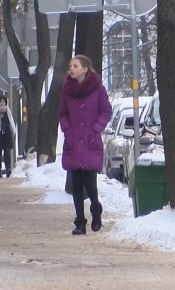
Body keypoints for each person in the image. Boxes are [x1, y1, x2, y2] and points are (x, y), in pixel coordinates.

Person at [59, 55, 112, 235]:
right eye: (70, 65)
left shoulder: (98, 89)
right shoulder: (67, 90)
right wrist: (67, 130)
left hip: (90, 141)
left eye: (75, 65)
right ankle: (80, 222)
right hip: (73, 141)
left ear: (85, 69)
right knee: (76, 183)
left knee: (90, 183)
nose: (71, 69)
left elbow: (106, 110)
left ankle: (96, 211)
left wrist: (96, 128)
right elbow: (63, 113)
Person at [0, 95, 16, 178]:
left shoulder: (8, 110)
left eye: (3, 101)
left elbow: (11, 120)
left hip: (7, 134)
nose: (2, 103)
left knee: (7, 152)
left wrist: (13, 131)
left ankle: (8, 169)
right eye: (0, 101)